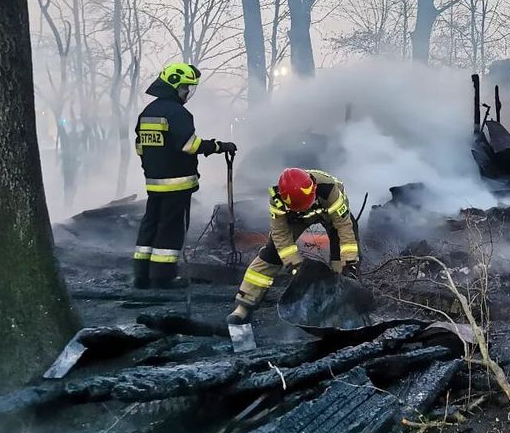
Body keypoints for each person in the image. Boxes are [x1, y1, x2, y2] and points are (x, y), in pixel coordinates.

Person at [134, 63, 236, 289]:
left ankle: (141, 276)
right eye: (185, 87)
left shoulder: (148, 112)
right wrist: (219, 146)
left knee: (150, 226)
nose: (187, 92)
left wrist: (153, 167)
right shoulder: (177, 113)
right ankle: (163, 277)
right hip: (177, 184)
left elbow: (140, 147)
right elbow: (190, 144)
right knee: (171, 231)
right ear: (174, 86)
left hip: (154, 183)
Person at [227, 168, 360, 324]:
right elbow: (280, 236)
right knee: (272, 253)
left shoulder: (329, 189)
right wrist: (295, 265)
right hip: (296, 218)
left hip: (330, 214)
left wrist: (349, 262)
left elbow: (344, 227)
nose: (306, 208)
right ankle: (244, 306)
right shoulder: (277, 199)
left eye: (306, 204)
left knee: (343, 258)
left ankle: (339, 308)